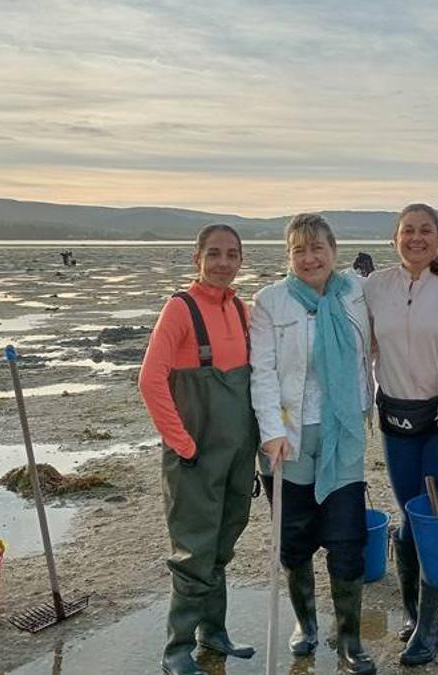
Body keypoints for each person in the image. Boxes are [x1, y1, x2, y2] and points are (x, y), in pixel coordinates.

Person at [249, 213, 377, 674]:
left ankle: (350, 640)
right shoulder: (270, 302)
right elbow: (260, 372)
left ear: (334, 251)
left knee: (347, 541)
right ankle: (305, 624)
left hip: (343, 434)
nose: (310, 257)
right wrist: (272, 432)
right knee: (295, 540)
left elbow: (411, 286)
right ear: (288, 256)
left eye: (318, 247)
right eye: (299, 249)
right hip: (290, 438)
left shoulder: (357, 292)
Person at [363, 203, 438, 666]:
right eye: (408, 231)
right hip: (397, 419)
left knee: (432, 518)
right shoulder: (376, 286)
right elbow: (363, 346)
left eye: (425, 231)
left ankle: (430, 630)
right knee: (407, 518)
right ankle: (412, 614)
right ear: (394, 238)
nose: (417, 238)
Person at [138, 224, 259, 675]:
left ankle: (215, 632)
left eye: (231, 255)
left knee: (222, 544)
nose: (223, 263)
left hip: (237, 455)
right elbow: (150, 381)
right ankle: (176, 649)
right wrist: (182, 443)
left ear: (240, 261)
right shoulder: (179, 310)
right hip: (193, 458)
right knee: (193, 552)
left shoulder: (242, 310)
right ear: (197, 259)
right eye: (214, 254)